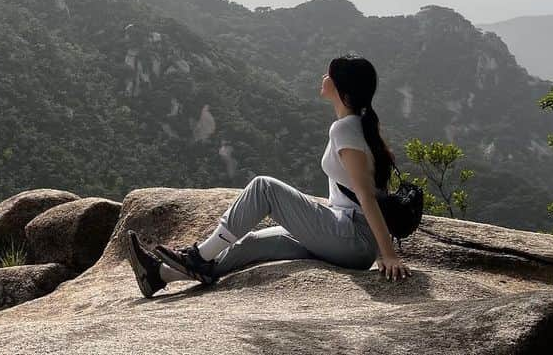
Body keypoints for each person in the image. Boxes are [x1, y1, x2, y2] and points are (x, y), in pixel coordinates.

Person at [125, 54, 412, 297]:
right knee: (251, 243)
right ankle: (158, 276)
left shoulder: (346, 129)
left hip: (352, 239)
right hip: (342, 232)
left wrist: (386, 255)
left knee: (264, 188)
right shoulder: (359, 125)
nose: (324, 76)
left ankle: (197, 256)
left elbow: (366, 195)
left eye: (330, 73)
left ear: (341, 88)